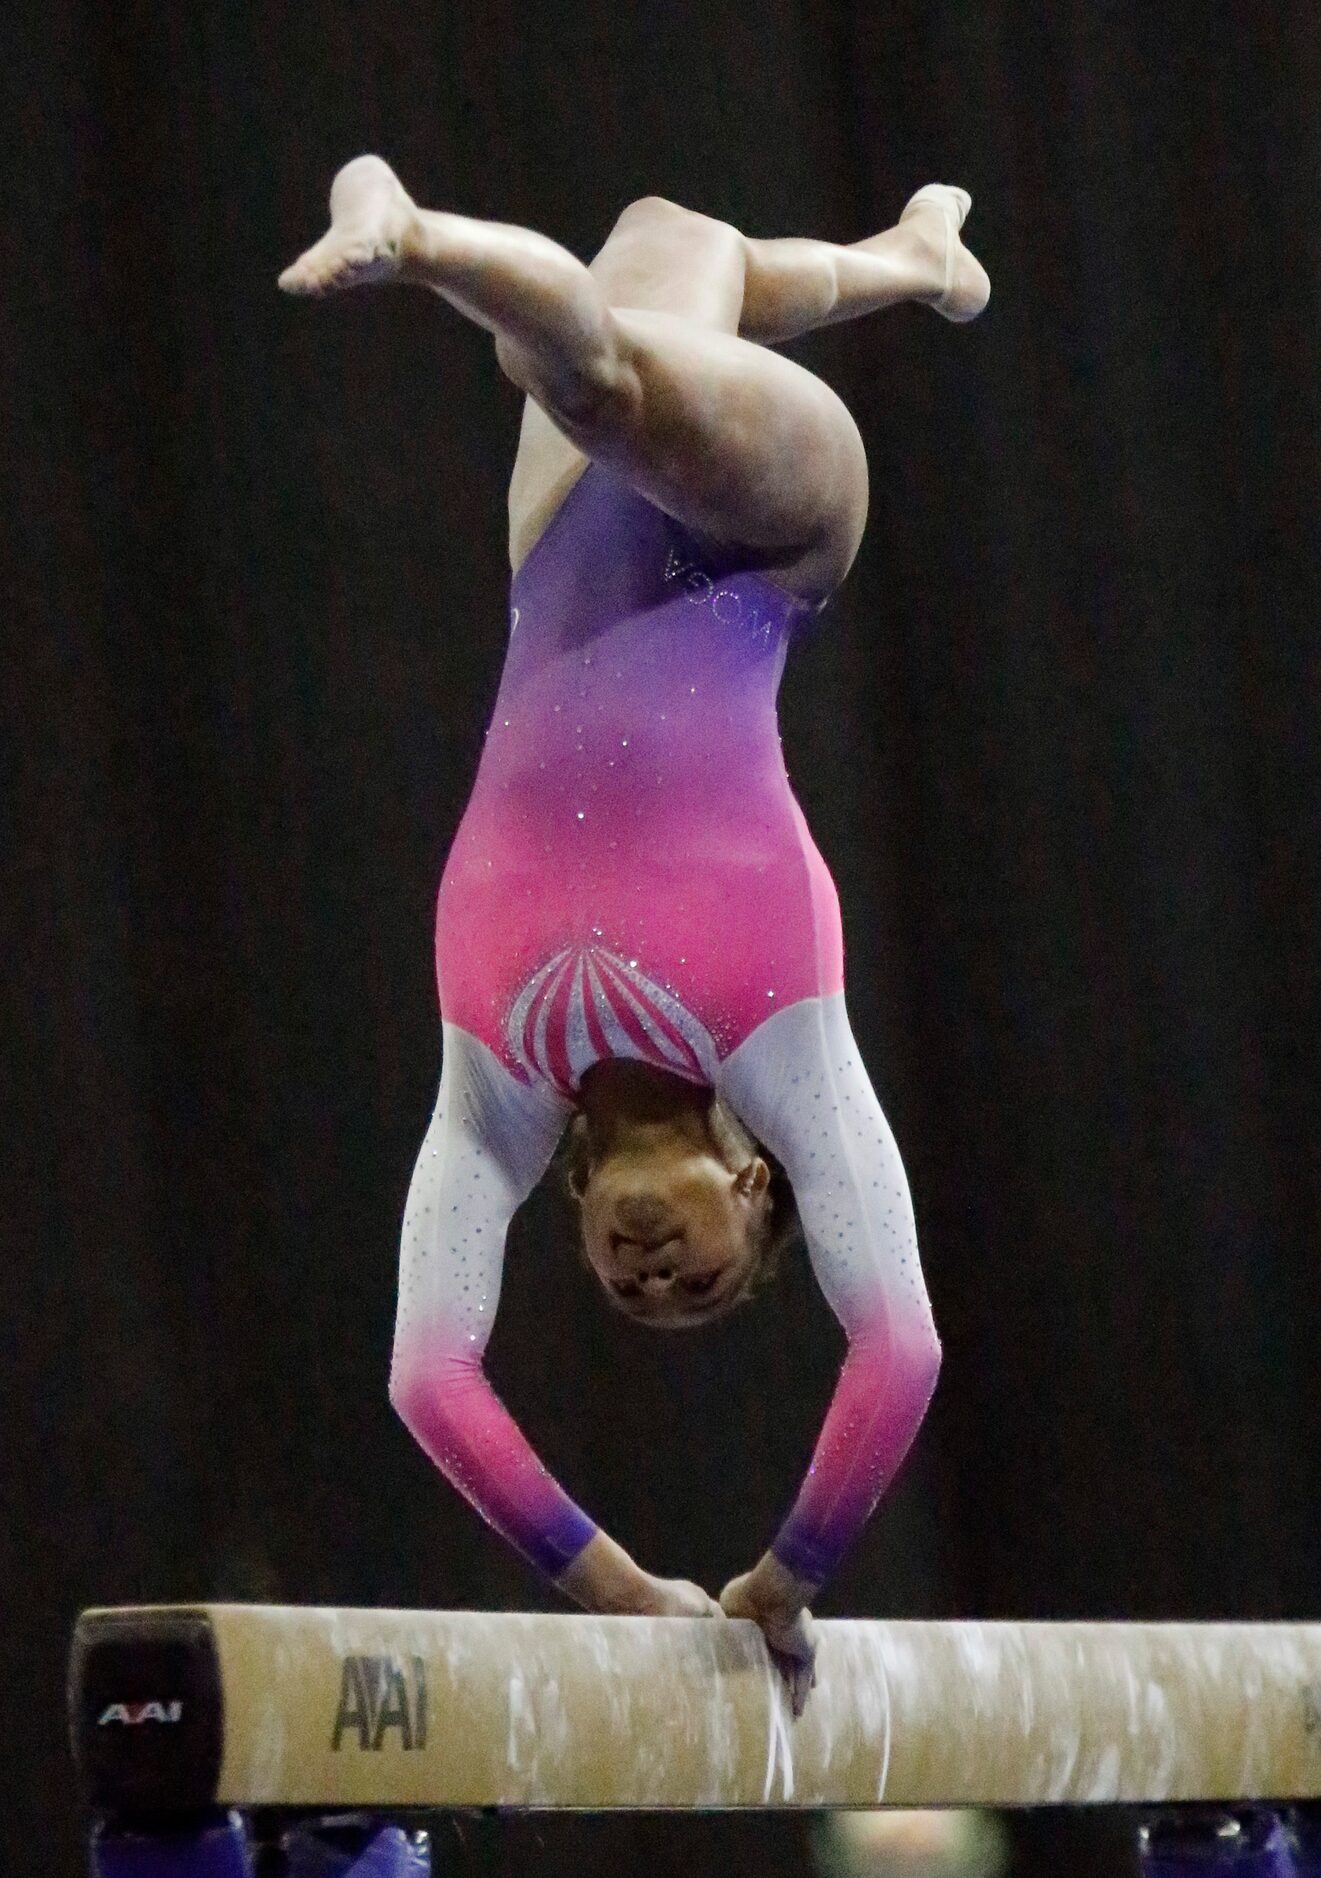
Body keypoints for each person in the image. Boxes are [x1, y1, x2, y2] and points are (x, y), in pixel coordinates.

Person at [279, 160, 988, 1713]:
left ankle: (902, 256)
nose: (654, 1277)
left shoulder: (496, 1083)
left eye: (630, 1294)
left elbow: (428, 1379)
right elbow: (902, 1349)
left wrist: (613, 1586)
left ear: (585, 1211)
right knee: (600, 364)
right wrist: (785, 1575)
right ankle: (406, 231)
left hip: (564, 553)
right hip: (768, 542)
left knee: (668, 249)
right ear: (750, 1180)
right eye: (705, 1280)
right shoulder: (778, 1036)